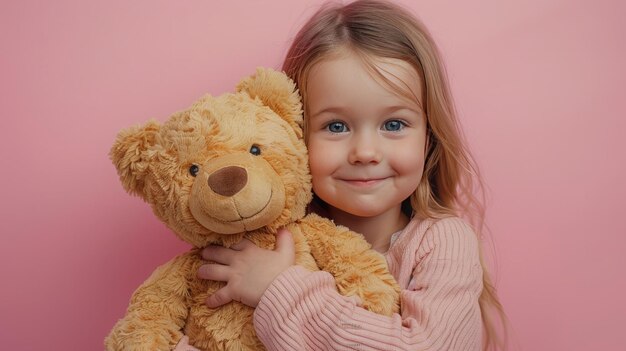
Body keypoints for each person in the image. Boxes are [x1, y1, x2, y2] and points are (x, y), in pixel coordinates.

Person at [176, 0, 506, 350]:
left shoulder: (443, 244)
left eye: (393, 124)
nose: (365, 152)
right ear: (295, 133)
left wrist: (279, 289)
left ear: (429, 137)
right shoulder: (268, 243)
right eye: (336, 125)